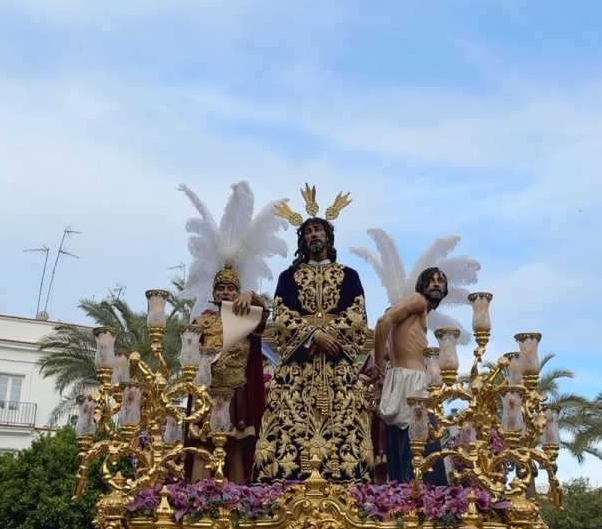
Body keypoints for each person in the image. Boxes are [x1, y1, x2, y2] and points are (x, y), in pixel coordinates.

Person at [254, 207, 371, 482]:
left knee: (345, 425)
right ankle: (287, 482)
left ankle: (346, 485)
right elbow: (281, 314)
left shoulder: (349, 275)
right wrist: (312, 335)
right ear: (302, 240)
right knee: (289, 424)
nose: (313, 234)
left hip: (337, 368)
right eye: (307, 231)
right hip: (299, 367)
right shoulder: (288, 277)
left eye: (317, 229)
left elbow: (357, 314)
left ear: (328, 237)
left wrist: (328, 335)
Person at [185, 265, 267, 483]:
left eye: (231, 288)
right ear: (214, 293)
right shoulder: (201, 321)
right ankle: (196, 499)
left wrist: (251, 295)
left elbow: (264, 318)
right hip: (207, 391)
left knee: (236, 448)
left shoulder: (246, 318)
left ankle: (237, 501)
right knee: (202, 445)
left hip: (236, 389)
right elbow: (189, 355)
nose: (225, 292)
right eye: (221, 288)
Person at [368, 267, 449, 485]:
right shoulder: (418, 301)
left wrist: (381, 370)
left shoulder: (413, 317)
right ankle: (431, 505)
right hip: (413, 384)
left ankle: (405, 504)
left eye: (440, 281)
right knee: (426, 450)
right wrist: (377, 367)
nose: (436, 284)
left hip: (398, 382)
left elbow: (387, 350)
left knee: (403, 453)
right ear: (422, 286)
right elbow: (383, 322)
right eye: (430, 280)